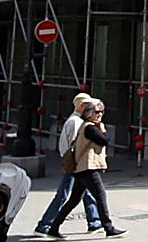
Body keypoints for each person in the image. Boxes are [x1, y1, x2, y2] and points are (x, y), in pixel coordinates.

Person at [45, 100, 126, 239]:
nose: (100, 114)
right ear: (89, 113)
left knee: (74, 200)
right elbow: (104, 140)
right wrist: (100, 126)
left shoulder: (87, 126)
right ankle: (109, 227)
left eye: (101, 112)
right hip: (87, 167)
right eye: (97, 112)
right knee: (100, 195)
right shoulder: (89, 128)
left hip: (81, 168)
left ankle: (54, 228)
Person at [35, 93, 101, 235]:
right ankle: (45, 224)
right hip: (74, 162)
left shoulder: (74, 121)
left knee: (85, 192)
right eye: (89, 107)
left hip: (74, 161)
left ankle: (94, 221)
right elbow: (74, 144)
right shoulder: (76, 122)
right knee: (64, 194)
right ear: (82, 106)